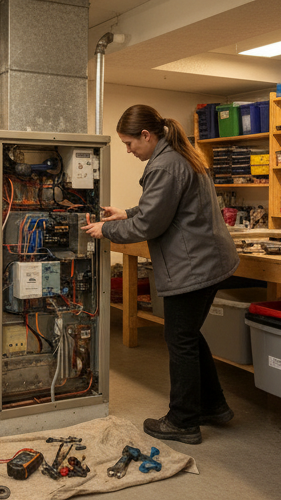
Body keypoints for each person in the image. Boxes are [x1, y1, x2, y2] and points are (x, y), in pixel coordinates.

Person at [82, 104, 240, 445]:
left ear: (146, 135)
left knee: (179, 339)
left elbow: (150, 223)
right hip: (208, 259)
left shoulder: (166, 165)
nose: (128, 150)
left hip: (194, 264)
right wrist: (125, 212)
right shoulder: (177, 155)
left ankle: (183, 421)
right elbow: (161, 206)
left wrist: (105, 231)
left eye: (129, 143)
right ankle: (213, 405)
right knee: (187, 335)